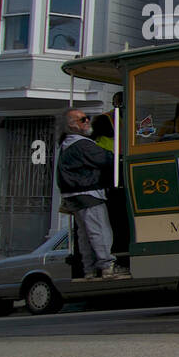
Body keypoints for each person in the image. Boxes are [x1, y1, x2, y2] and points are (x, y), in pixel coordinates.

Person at [56, 108, 128, 280]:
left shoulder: (67, 144)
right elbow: (107, 159)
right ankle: (107, 267)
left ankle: (89, 270)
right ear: (72, 126)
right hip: (88, 193)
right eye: (83, 120)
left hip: (74, 195)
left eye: (87, 118)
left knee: (85, 234)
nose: (87, 121)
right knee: (99, 231)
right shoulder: (82, 145)